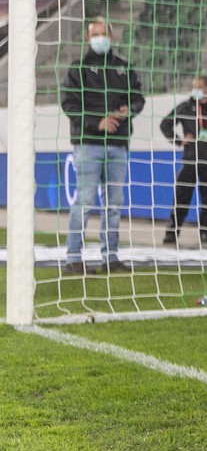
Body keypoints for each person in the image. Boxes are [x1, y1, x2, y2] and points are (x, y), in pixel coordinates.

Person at [60, 18, 146, 275]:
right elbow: (69, 105)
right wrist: (97, 123)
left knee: (114, 204)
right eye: (94, 34)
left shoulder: (124, 67)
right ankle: (73, 258)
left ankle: (110, 257)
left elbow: (139, 99)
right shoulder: (79, 69)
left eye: (102, 33)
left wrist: (128, 110)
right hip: (88, 144)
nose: (99, 38)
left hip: (118, 144)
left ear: (111, 35)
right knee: (85, 202)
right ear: (88, 38)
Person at [159, 74, 207, 246]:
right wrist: (179, 140)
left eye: (199, 88)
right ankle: (172, 233)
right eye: (194, 87)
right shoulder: (186, 107)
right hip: (190, 159)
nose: (196, 91)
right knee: (181, 197)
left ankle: (206, 233)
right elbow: (165, 124)